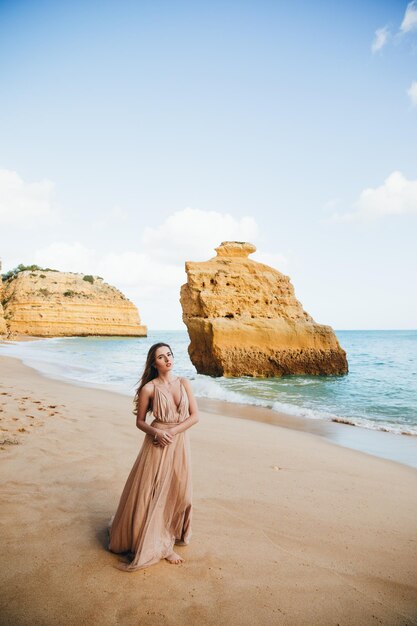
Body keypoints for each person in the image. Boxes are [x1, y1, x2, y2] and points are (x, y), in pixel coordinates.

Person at [108, 342, 199, 571]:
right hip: (157, 443)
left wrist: (172, 432)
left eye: (169, 354)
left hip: (178, 441)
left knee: (181, 492)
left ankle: (171, 533)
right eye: (161, 356)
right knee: (153, 492)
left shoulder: (184, 383)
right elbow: (140, 422)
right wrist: (157, 431)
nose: (167, 359)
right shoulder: (149, 388)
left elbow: (195, 416)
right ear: (153, 362)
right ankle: (160, 544)